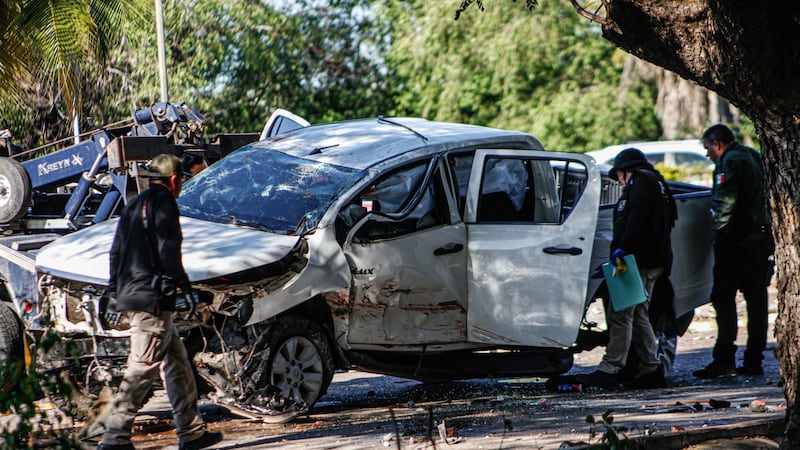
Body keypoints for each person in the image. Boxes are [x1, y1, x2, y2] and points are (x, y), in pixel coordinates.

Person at [96, 154, 222, 450]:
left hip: (133, 295)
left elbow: (115, 253)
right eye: (181, 182)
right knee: (141, 368)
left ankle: (191, 433)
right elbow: (169, 251)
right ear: (175, 180)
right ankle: (113, 438)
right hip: (151, 302)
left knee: (177, 364)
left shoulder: (133, 205)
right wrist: (186, 288)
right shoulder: (164, 203)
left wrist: (114, 290)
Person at [576, 148, 677, 390]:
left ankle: (610, 367)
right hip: (652, 260)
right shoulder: (658, 183)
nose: (619, 181)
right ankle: (651, 368)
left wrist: (621, 251)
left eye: (619, 176)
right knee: (640, 314)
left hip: (636, 261)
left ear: (624, 171)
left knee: (620, 313)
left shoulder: (641, 183)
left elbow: (635, 220)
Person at [693, 124, 774, 379]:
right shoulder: (752, 154)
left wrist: (718, 234)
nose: (708, 155)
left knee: (723, 298)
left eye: (707, 148)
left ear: (717, 144)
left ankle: (724, 359)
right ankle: (754, 360)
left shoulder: (731, 161)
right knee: (757, 301)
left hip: (737, 240)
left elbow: (726, 202)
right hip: (761, 237)